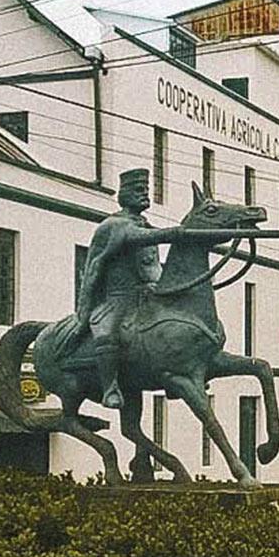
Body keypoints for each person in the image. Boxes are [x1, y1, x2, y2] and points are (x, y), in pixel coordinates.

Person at [72, 168, 186, 409]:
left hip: (148, 295)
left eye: (146, 190)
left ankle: (176, 375)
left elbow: (152, 260)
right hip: (118, 298)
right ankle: (110, 387)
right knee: (108, 333)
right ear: (124, 195)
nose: (144, 194)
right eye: (138, 191)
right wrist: (178, 232)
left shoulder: (145, 225)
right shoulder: (114, 225)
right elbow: (135, 238)